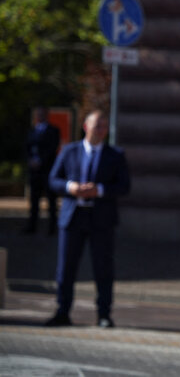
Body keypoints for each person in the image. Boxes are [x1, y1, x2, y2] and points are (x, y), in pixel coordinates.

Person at [45, 110, 130, 328]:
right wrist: (70, 187)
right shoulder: (69, 151)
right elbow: (53, 180)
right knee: (66, 268)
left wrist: (99, 190)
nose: (100, 130)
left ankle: (104, 314)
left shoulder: (115, 155)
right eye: (97, 125)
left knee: (103, 268)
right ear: (86, 126)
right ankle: (62, 312)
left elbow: (124, 186)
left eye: (104, 126)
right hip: (73, 217)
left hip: (101, 219)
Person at [24, 106, 60, 235]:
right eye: (37, 114)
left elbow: (52, 148)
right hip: (34, 172)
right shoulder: (32, 131)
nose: (39, 117)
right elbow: (27, 148)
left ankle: (52, 228)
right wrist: (30, 160)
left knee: (51, 201)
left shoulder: (53, 130)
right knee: (34, 200)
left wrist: (40, 161)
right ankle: (32, 226)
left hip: (48, 170)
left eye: (42, 114)